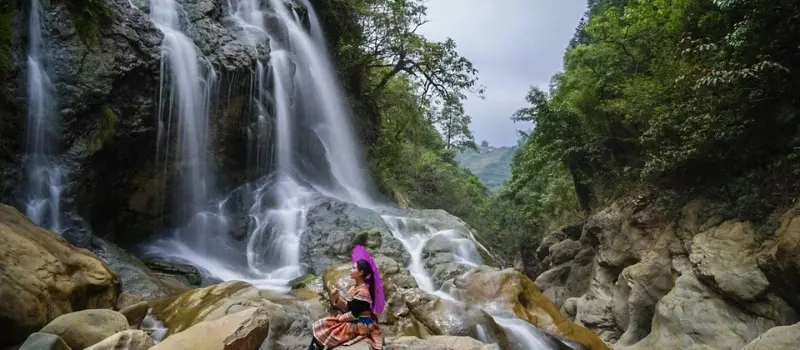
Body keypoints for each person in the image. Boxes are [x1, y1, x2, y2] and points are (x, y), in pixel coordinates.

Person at [308, 258, 384, 350]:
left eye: (353, 268)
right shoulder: (353, 288)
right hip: (353, 319)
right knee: (324, 324)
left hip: (361, 323)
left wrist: (340, 318)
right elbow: (348, 308)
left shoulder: (363, 292)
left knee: (329, 328)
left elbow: (354, 314)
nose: (351, 270)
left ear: (360, 272)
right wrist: (336, 296)